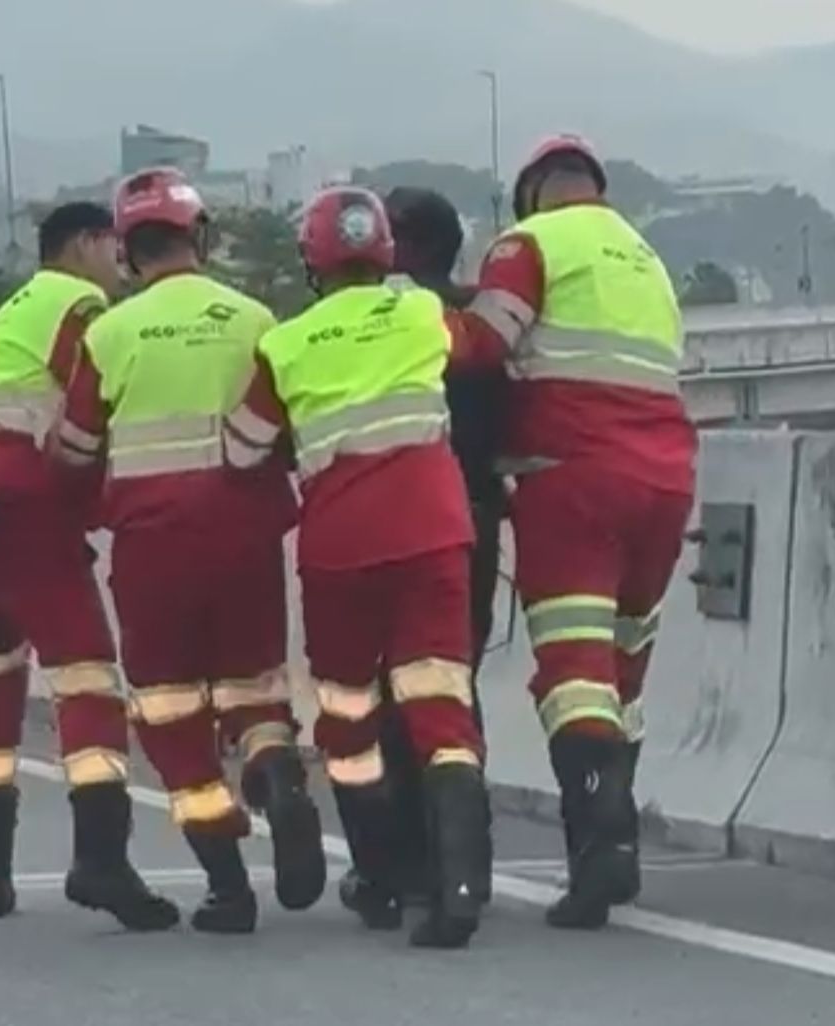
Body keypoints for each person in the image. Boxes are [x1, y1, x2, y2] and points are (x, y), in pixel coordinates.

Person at [55, 168, 326, 934]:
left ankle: (230, 890)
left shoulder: (107, 333)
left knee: (171, 715)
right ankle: (275, 774)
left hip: (150, 550)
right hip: (246, 538)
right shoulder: (253, 319)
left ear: (130, 251)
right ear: (198, 237)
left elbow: (74, 450)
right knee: (255, 692)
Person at [223, 186, 492, 950]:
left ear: (311, 262)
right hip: (436, 532)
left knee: (347, 717)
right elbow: (478, 346)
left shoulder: (285, 344)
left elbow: (243, 448)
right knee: (441, 705)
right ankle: (460, 888)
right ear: (383, 251)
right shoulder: (417, 314)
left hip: (341, 548)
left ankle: (379, 877)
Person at [447, 135, 697, 930]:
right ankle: (614, 827)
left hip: (572, 474)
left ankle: (603, 844)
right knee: (623, 664)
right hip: (666, 479)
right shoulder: (644, 257)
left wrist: (415, 313)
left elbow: (481, 344)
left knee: (574, 669)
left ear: (533, 195)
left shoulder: (530, 244)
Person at [0, 202, 178, 931]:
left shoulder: (18, 306)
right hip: (25, 507)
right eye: (113, 245)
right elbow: (89, 409)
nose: (120, 262)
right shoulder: (80, 302)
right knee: (89, 680)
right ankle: (100, 860)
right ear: (82, 244)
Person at [333, 187, 504, 909]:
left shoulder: (367, 324)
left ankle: (386, 867)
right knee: (446, 689)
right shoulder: (470, 325)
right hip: (467, 525)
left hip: (371, 531)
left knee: (370, 700)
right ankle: (458, 867)